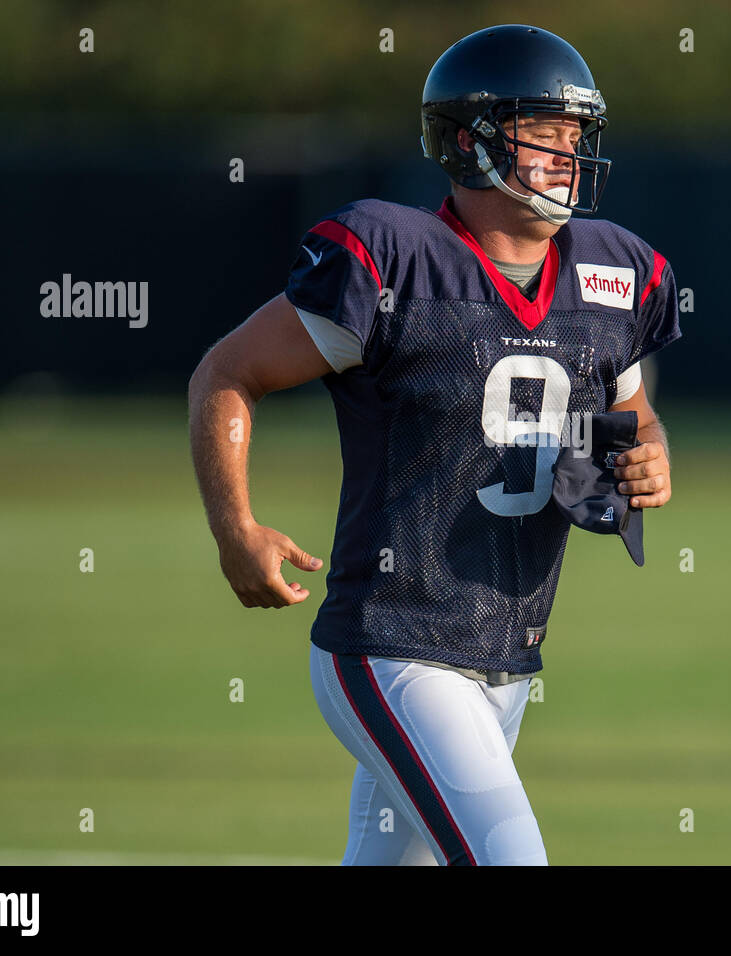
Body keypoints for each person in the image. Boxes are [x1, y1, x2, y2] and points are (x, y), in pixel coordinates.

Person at [188, 24, 681, 865]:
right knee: (509, 857)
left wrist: (645, 455)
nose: (569, 154)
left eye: (577, 135)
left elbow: (631, 417)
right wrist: (235, 526)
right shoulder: (394, 259)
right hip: (394, 644)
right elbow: (227, 373)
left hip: (509, 655)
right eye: (547, 132)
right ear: (471, 138)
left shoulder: (613, 273)